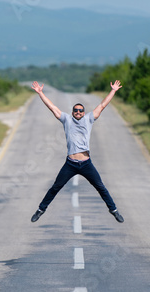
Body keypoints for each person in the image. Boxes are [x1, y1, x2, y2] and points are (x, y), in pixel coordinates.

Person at [30, 80, 124, 223]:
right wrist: (40, 93)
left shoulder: (89, 119)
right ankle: (40, 210)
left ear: (84, 112)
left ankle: (114, 211)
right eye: (76, 110)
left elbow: (102, 105)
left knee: (101, 187)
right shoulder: (66, 119)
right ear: (72, 112)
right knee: (56, 187)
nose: (78, 112)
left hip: (86, 164)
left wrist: (113, 91)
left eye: (81, 110)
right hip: (71, 164)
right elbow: (52, 107)